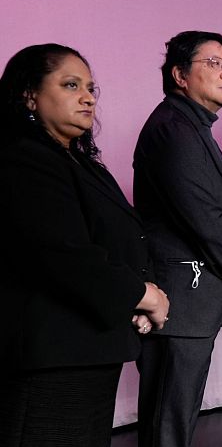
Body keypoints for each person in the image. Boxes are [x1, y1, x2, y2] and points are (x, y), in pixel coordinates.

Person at [0, 43, 169, 446]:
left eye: (91, 88)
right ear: (30, 95)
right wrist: (144, 295)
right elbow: (65, 254)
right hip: (52, 360)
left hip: (92, 351)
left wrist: (139, 301)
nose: (88, 97)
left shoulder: (84, 165)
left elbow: (127, 238)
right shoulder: (24, 159)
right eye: (71, 85)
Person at [133, 31, 222, 447]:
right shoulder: (173, 130)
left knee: (174, 423)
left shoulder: (191, 126)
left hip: (192, 304)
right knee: (168, 428)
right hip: (180, 305)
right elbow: (204, 218)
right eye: (214, 63)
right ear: (180, 75)